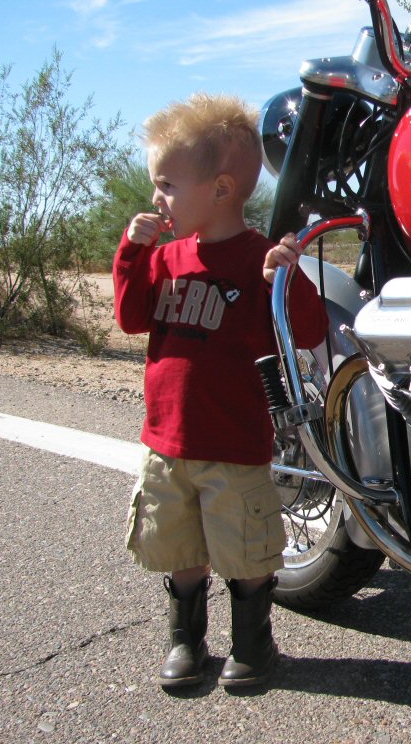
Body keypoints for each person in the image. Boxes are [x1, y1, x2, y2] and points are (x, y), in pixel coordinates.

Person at [113, 92, 327, 689]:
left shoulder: (257, 259)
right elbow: (131, 318)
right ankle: (186, 642)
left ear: (222, 189)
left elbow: (306, 332)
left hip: (234, 446)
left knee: (247, 555)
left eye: (168, 185)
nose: (158, 199)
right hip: (167, 442)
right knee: (180, 549)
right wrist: (133, 253)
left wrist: (285, 277)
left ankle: (253, 646)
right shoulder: (165, 257)